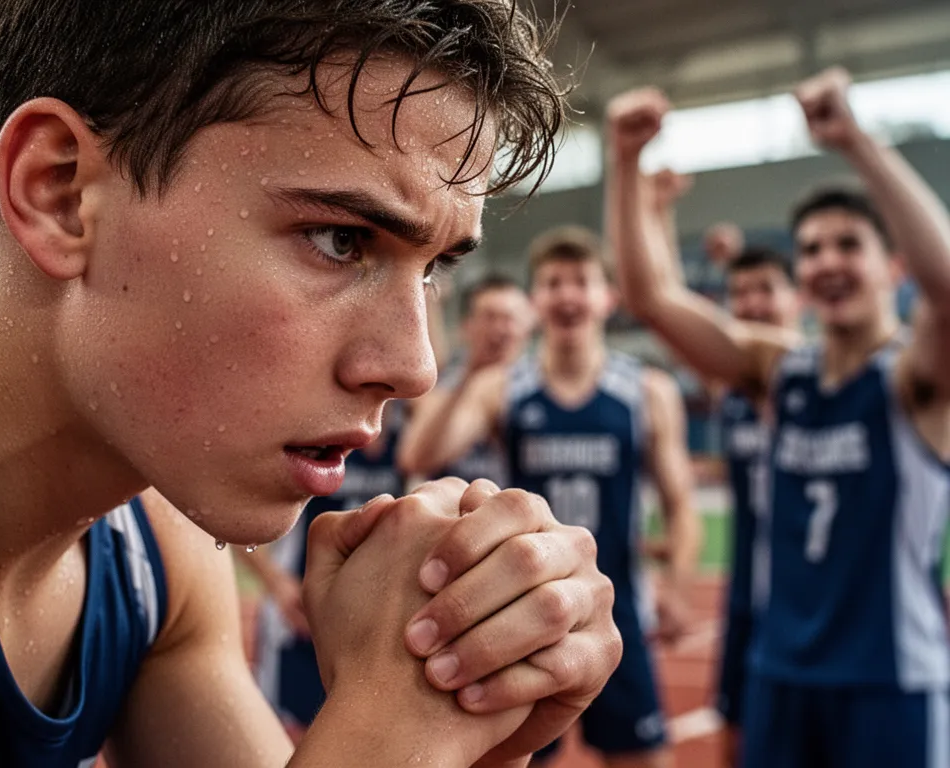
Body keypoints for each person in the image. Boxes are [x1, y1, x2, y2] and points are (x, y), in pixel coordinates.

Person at [0, 2, 625, 766]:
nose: (414, 367)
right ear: (60, 191)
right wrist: (398, 724)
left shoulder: (153, 542)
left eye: (432, 269)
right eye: (340, 240)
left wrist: (468, 717)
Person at [609, 68, 950, 768]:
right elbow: (650, 298)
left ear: (894, 267)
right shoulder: (779, 370)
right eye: (814, 249)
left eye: (848, 245)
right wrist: (622, 160)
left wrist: (856, 141)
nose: (827, 261)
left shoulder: (917, 378)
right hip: (780, 670)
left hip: (888, 682)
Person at [399, 226, 702, 768]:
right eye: (552, 283)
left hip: (618, 606)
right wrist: (473, 371)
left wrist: (677, 586)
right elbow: (420, 452)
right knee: (519, 758)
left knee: (643, 757)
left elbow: (681, 504)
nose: (567, 294)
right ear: (535, 302)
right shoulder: (504, 388)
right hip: (523, 606)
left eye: (581, 282)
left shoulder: (646, 392)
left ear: (607, 297)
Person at [242, 401, 408, 740]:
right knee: (286, 740)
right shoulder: (317, 433)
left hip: (368, 625)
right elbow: (242, 516)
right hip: (299, 621)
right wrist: (276, 581)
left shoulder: (408, 436)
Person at [711, 247, 801, 766]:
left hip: (823, 602)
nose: (751, 303)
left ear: (797, 296)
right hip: (747, 594)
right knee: (737, 738)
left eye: (766, 289)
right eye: (740, 293)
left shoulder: (834, 384)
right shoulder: (732, 395)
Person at [399, 274, 532, 487]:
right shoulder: (442, 384)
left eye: (510, 318)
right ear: (466, 326)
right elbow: (414, 460)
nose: (500, 329)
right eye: (490, 317)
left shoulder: (537, 388)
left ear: (528, 326)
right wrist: (470, 376)